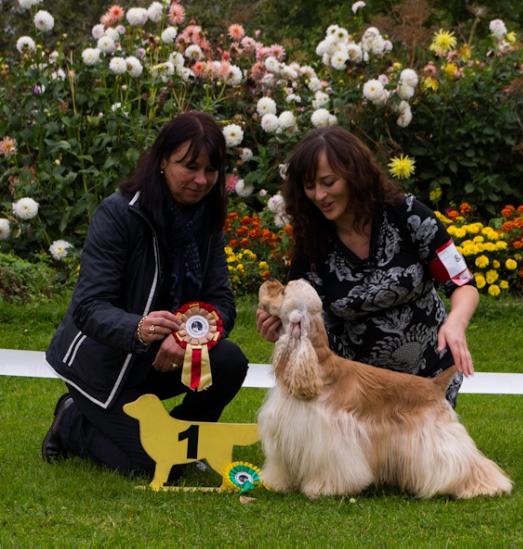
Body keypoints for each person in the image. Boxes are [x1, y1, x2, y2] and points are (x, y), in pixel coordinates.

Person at [43, 111, 249, 477]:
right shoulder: (118, 213)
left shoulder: (208, 218)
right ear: (162, 161)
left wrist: (187, 337)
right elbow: (88, 307)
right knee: (154, 468)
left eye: (211, 170)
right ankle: (71, 419)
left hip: (161, 356)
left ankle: (186, 442)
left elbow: (223, 303)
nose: (201, 180)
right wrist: (139, 328)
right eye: (190, 166)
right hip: (102, 366)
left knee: (230, 360)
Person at [256, 126, 479, 407]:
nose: (319, 195)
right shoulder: (310, 244)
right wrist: (278, 326)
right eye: (310, 186)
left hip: (428, 383)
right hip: (354, 394)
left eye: (328, 182)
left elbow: (462, 283)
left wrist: (456, 323)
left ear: (354, 175)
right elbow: (305, 317)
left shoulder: (408, 215)